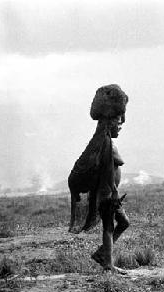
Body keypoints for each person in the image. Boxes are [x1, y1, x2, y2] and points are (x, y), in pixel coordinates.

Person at [69, 84, 130, 274]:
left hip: (110, 194)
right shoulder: (105, 144)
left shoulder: (105, 142)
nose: (121, 125)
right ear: (110, 121)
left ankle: (103, 256)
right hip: (108, 195)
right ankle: (107, 264)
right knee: (109, 226)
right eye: (118, 121)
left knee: (120, 224)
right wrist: (113, 195)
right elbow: (108, 174)